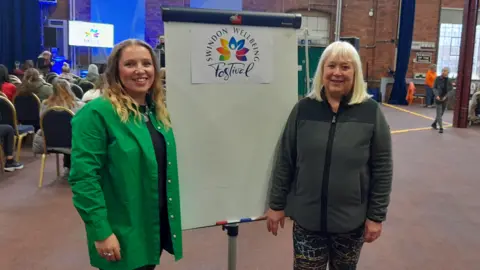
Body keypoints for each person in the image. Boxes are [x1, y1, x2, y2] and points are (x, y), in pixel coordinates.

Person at [265, 41, 393, 270]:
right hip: (307, 222)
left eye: (345, 67)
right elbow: (285, 159)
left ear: (355, 73)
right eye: (331, 66)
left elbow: (382, 168)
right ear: (322, 71)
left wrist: (376, 216)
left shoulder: (370, 112)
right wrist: (276, 204)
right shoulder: (303, 109)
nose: (337, 73)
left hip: (350, 223)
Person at [68, 39, 183, 270]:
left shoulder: (156, 113)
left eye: (147, 63)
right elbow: (84, 179)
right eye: (130, 64)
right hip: (120, 229)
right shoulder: (96, 113)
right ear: (115, 71)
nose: (141, 70)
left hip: (151, 225)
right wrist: (101, 232)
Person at [32, 79, 84, 178]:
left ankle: (67, 167)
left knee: (65, 132)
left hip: (49, 142)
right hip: (72, 142)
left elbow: (41, 122)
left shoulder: (44, 104)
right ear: (69, 90)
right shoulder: (79, 106)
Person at [431, 67, 453, 134]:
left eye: (445, 71)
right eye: (442, 71)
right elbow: (434, 88)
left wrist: (446, 96)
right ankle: (441, 128)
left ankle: (434, 123)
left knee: (441, 113)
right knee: (439, 113)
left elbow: (450, 90)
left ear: (448, 72)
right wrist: (436, 95)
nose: (443, 72)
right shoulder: (437, 78)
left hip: (445, 99)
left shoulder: (449, 80)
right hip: (438, 98)